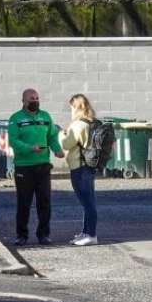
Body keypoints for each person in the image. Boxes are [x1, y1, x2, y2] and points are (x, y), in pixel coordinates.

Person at [8, 89, 65, 246]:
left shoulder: (45, 116)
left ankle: (44, 234)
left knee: (44, 202)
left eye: (37, 98)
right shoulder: (16, 119)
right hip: (24, 167)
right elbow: (13, 140)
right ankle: (21, 235)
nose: (35, 100)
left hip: (43, 166)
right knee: (24, 203)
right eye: (31, 98)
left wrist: (57, 149)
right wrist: (29, 148)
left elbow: (52, 135)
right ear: (24, 101)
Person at [59, 94, 99, 246]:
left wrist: (60, 134)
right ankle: (86, 232)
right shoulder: (92, 122)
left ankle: (91, 235)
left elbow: (66, 144)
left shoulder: (78, 125)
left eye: (71, 107)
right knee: (88, 201)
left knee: (87, 203)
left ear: (76, 107)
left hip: (79, 167)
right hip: (89, 167)